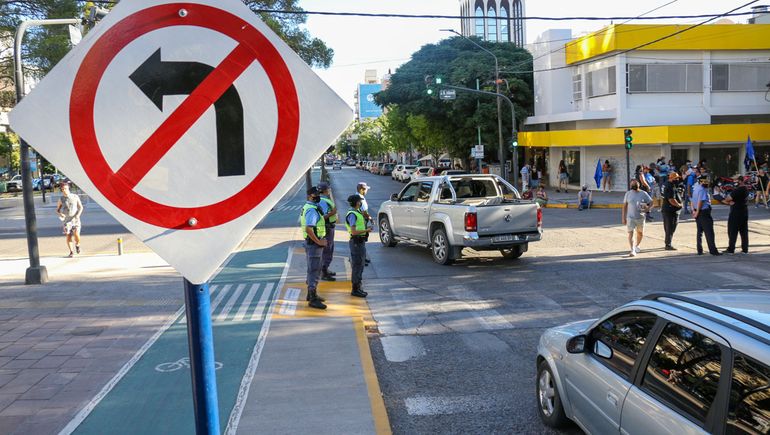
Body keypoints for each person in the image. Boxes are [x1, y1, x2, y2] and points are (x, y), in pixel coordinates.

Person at [301, 187, 328, 309]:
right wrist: (319, 241)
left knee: (312, 269)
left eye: (318, 194)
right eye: (315, 195)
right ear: (309, 196)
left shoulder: (310, 207)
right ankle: (312, 298)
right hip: (314, 244)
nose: (318, 196)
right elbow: (309, 228)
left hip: (312, 244)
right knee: (314, 270)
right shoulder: (311, 210)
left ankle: (311, 294)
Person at [346, 195, 371, 298]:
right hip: (356, 242)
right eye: (360, 202)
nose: (360, 203)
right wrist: (366, 230)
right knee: (357, 265)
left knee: (360, 264)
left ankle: (358, 287)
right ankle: (355, 289)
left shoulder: (356, 212)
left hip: (359, 242)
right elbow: (354, 231)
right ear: (357, 203)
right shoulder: (352, 214)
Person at [692, 175, 721, 256]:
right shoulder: (702, 190)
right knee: (709, 232)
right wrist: (697, 212)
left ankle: (699, 250)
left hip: (698, 212)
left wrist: (693, 211)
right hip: (703, 212)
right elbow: (700, 202)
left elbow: (692, 200)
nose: (707, 182)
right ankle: (713, 251)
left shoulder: (696, 187)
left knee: (699, 232)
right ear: (701, 181)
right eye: (706, 181)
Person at [622, 179, 652, 257]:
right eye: (632, 184)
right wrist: (623, 217)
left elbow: (651, 202)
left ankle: (637, 245)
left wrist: (647, 209)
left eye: (635, 184)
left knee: (640, 233)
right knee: (630, 233)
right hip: (630, 217)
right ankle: (632, 250)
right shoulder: (628, 194)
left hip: (640, 217)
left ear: (639, 185)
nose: (634, 185)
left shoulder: (643, 193)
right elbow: (624, 206)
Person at [56, 181, 83, 257]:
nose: (64, 190)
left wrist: (78, 215)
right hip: (66, 221)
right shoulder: (61, 199)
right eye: (63, 189)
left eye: (65, 189)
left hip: (75, 219)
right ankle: (71, 252)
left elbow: (80, 207)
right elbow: (57, 209)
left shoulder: (75, 196)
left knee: (76, 234)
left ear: (68, 189)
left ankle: (78, 244)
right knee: (68, 236)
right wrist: (60, 214)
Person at [722, 177, 749, 254]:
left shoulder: (737, 190)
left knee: (732, 231)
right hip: (744, 212)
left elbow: (728, 199)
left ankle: (731, 249)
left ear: (740, 181)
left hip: (736, 212)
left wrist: (727, 199)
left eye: (736, 180)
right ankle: (745, 249)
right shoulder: (746, 189)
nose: (734, 182)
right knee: (744, 231)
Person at [317, 182, 338, 281]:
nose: (329, 191)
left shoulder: (323, 199)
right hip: (327, 227)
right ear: (325, 190)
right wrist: (332, 213)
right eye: (328, 189)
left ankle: (326, 269)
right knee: (327, 249)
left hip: (329, 227)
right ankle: (324, 271)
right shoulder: (323, 201)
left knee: (329, 248)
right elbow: (323, 217)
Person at [660, 172, 684, 250]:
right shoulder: (670, 186)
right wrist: (679, 205)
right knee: (671, 227)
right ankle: (668, 245)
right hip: (671, 210)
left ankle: (668, 242)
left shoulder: (666, 184)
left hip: (666, 209)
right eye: (675, 178)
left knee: (668, 227)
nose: (677, 179)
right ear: (671, 178)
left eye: (677, 178)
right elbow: (671, 200)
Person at [356, 182, 372, 265]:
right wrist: (370, 218)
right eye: (366, 189)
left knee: (362, 241)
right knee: (360, 241)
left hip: (362, 221)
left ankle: (363, 258)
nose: (367, 191)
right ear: (362, 190)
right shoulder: (359, 198)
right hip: (361, 222)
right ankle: (361, 259)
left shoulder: (360, 197)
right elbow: (363, 211)